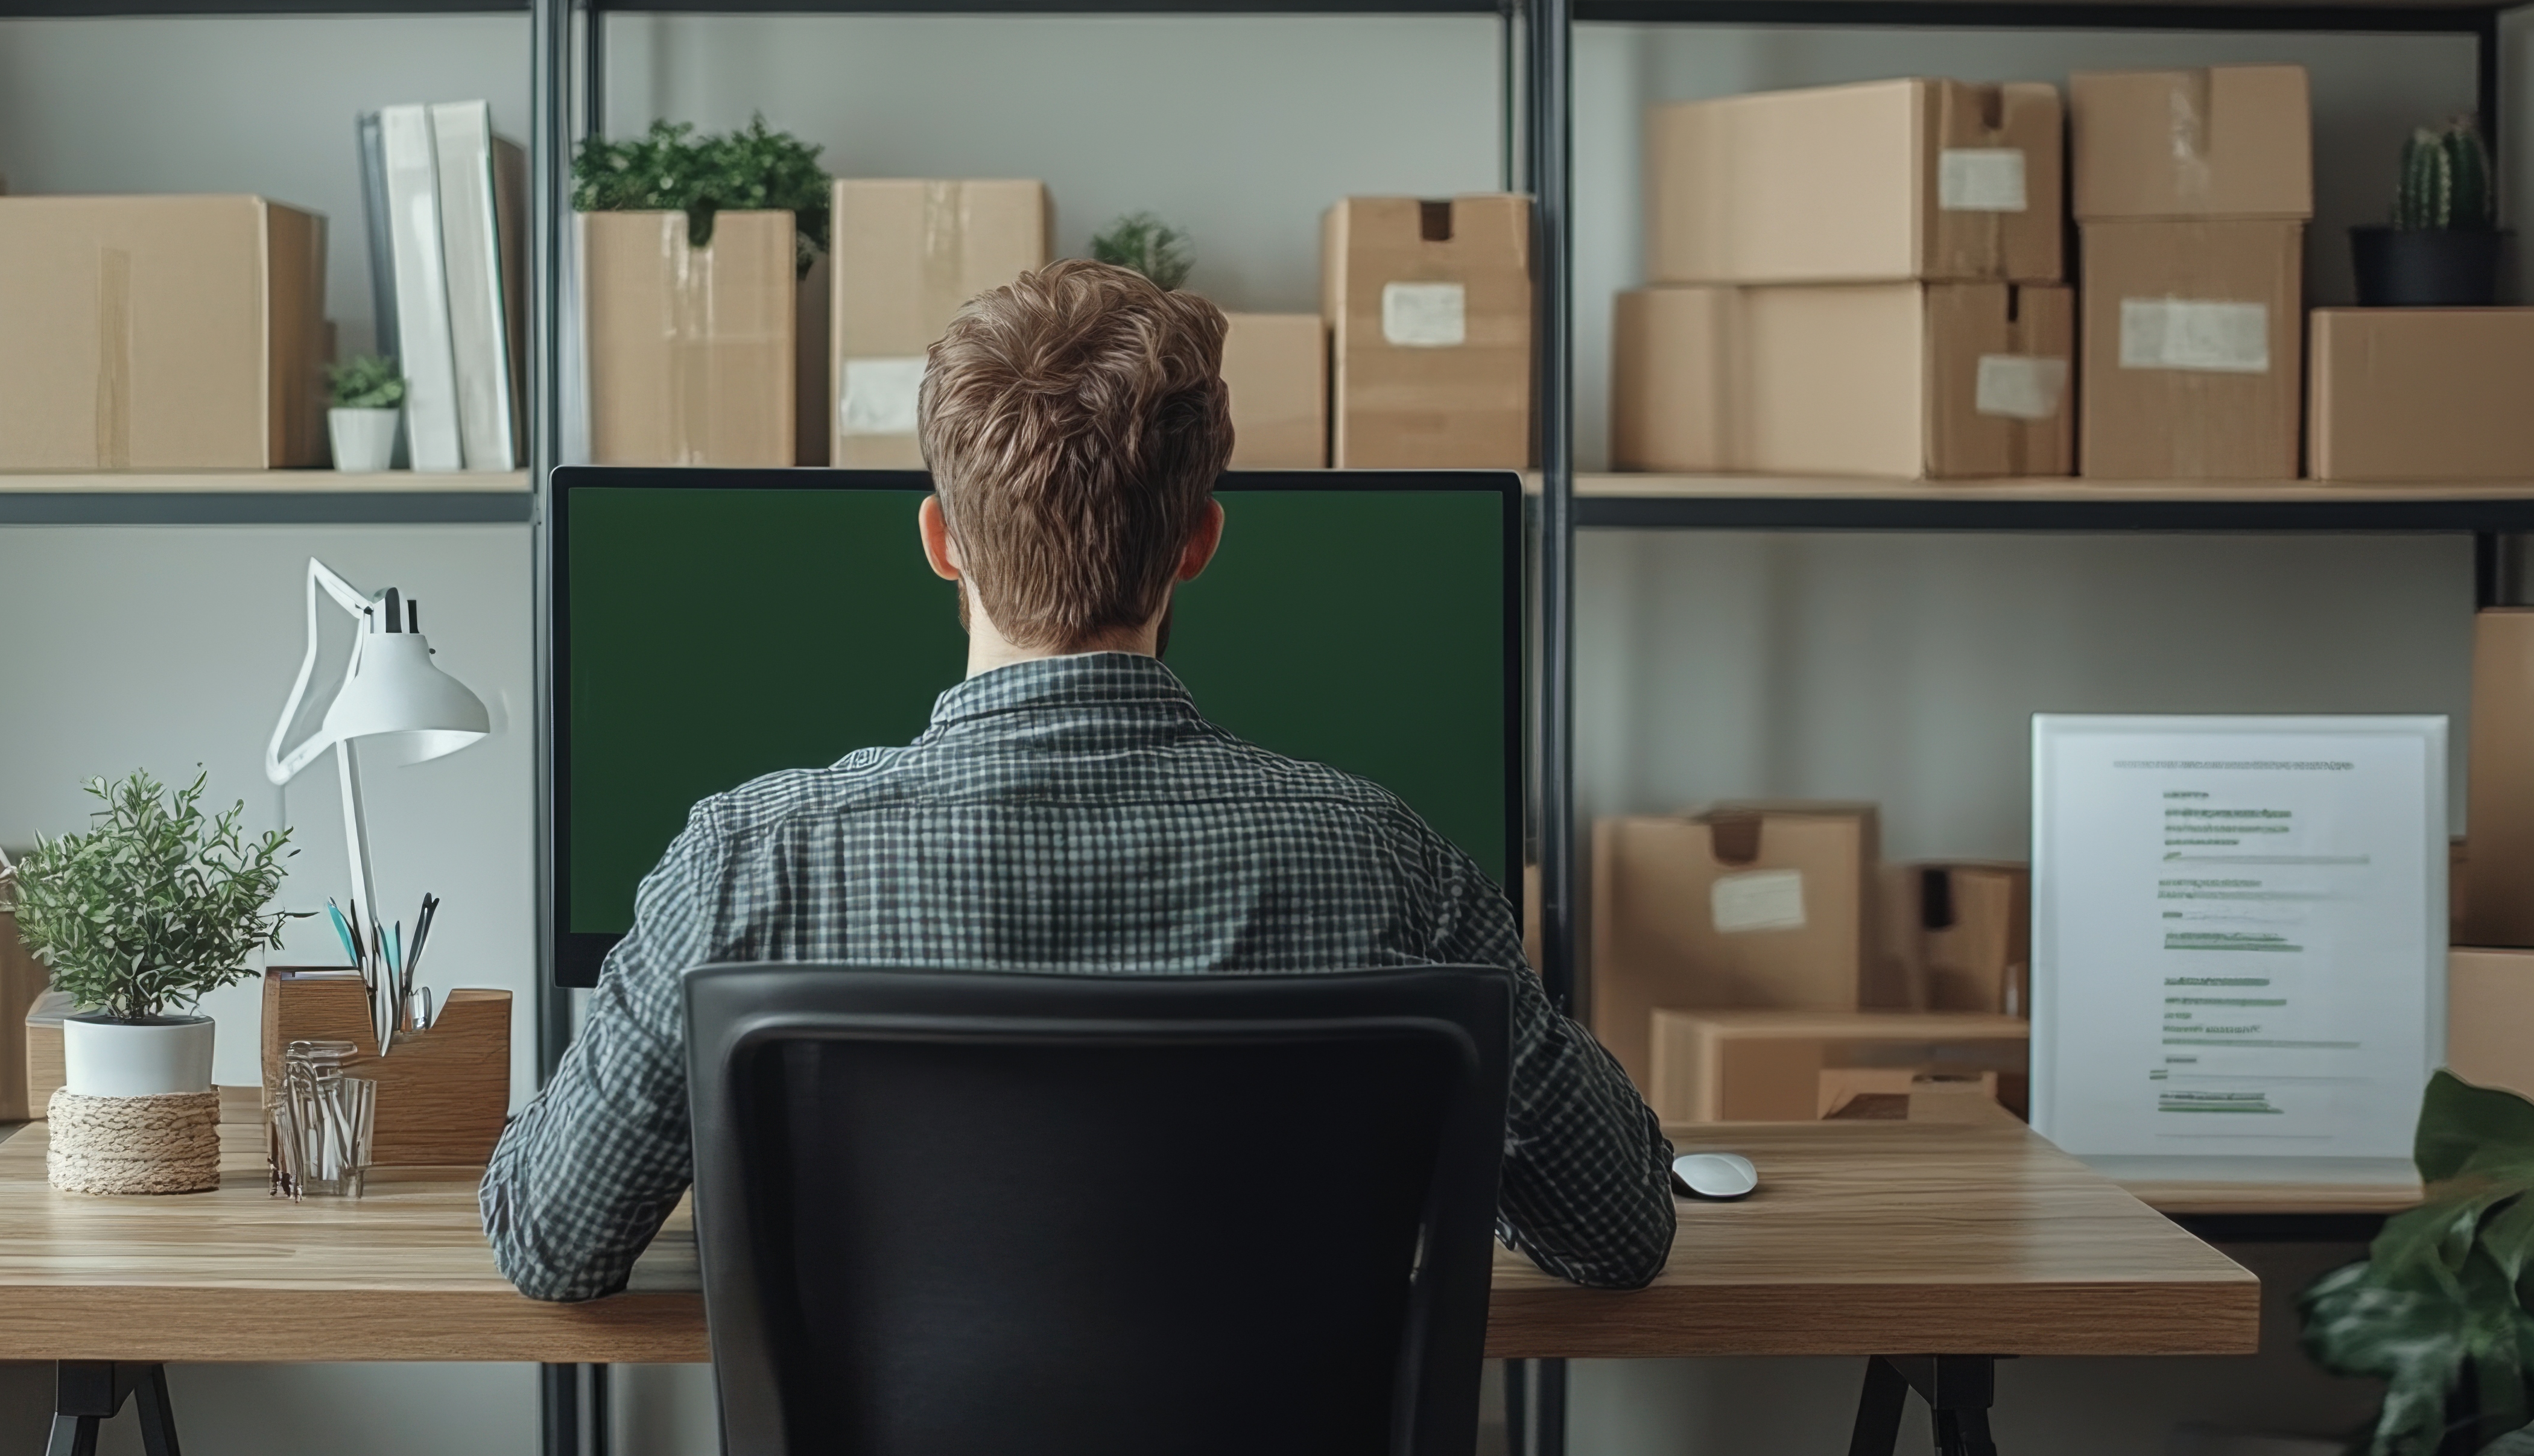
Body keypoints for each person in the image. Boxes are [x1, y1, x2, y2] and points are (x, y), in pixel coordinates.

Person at [479, 258, 1675, 1299]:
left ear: (941, 540)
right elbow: (1616, 1230)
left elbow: (553, 1244)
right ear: (1198, 541)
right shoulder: (1388, 867)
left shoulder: (747, 865)